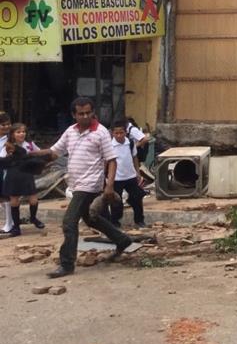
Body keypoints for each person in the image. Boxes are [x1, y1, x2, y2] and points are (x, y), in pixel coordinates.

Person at [31, 97, 132, 278]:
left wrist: (109, 186)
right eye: (81, 114)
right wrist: (28, 154)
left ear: (93, 112)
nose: (85, 116)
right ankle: (122, 240)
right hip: (76, 183)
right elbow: (54, 153)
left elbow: (111, 160)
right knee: (91, 219)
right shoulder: (70, 132)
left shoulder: (100, 132)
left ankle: (67, 264)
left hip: (89, 184)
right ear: (74, 115)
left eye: (88, 113)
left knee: (69, 222)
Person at [1, 123, 46, 236]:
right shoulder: (8, 146)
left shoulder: (29, 144)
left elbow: (39, 152)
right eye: (18, 132)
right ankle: (16, 227)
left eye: (23, 131)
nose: (22, 134)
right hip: (13, 175)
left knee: (33, 199)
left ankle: (33, 218)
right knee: (14, 201)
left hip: (27, 174)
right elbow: (3, 160)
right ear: (12, 134)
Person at [105, 119, 146, 228]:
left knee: (137, 198)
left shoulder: (130, 143)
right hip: (116, 178)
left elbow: (134, 157)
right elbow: (106, 162)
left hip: (130, 176)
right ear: (112, 133)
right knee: (116, 202)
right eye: (116, 133)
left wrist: (137, 172)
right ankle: (115, 222)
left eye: (121, 133)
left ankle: (139, 220)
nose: (119, 135)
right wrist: (107, 178)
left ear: (125, 133)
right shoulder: (109, 146)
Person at [0, 111, 12, 234]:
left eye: (8, 124)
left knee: (7, 197)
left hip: (6, 170)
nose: (6, 127)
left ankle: (9, 223)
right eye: (3, 125)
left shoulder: (11, 138)